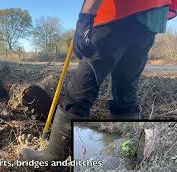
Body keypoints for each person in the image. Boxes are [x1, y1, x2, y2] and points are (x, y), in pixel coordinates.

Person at [21, 0, 176, 163]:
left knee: (79, 92)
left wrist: (85, 17)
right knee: (125, 94)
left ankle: (53, 158)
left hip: (114, 19)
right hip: (149, 22)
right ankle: (126, 158)